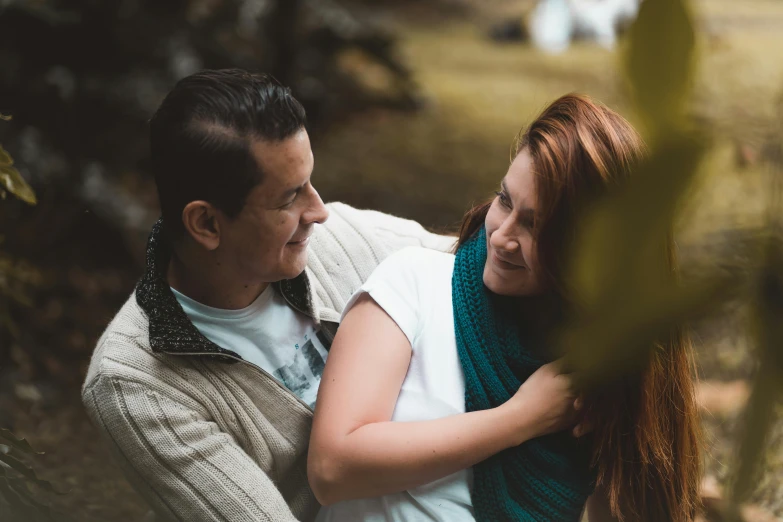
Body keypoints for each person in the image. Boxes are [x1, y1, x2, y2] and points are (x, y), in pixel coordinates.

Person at [81, 69, 461, 522]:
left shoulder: (337, 239)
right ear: (206, 224)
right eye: (289, 198)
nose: (319, 211)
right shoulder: (136, 384)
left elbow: (475, 265)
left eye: (311, 182)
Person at [308, 94, 701, 522]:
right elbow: (332, 469)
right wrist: (521, 418)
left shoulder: (599, 369)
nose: (500, 237)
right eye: (505, 200)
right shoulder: (415, 283)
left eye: (535, 225)